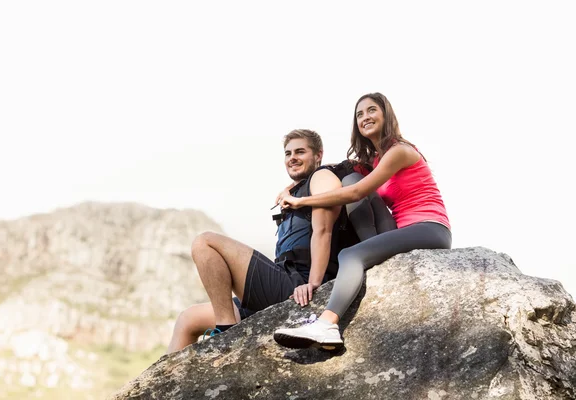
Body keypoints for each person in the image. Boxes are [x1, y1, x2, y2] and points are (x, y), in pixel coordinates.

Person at [273, 92, 452, 351]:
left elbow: (356, 195)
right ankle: (372, 259)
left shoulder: (400, 152)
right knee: (351, 177)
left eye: (371, 110)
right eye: (359, 114)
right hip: (403, 228)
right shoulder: (376, 160)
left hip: (429, 228)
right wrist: (298, 183)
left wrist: (301, 201)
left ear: (385, 114)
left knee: (351, 255)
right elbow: (344, 170)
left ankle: (327, 324)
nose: (365, 117)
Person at [167, 129, 358, 353]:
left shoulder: (322, 177)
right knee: (188, 319)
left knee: (205, 243)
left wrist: (313, 283)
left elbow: (323, 231)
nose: (292, 158)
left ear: (318, 155)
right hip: (283, 278)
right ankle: (161, 385)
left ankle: (226, 332)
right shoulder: (294, 192)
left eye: (300, 151)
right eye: (288, 154)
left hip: (299, 285)